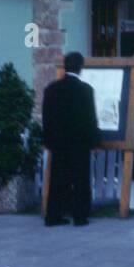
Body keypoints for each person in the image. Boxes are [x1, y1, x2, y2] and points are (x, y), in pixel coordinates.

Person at [42, 52, 101, 226]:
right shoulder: (86, 90)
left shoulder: (51, 89)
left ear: (65, 66)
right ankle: (80, 216)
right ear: (80, 67)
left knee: (57, 179)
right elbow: (90, 118)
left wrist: (48, 140)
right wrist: (95, 141)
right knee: (81, 179)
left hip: (58, 142)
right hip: (79, 143)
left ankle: (53, 215)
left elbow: (47, 118)